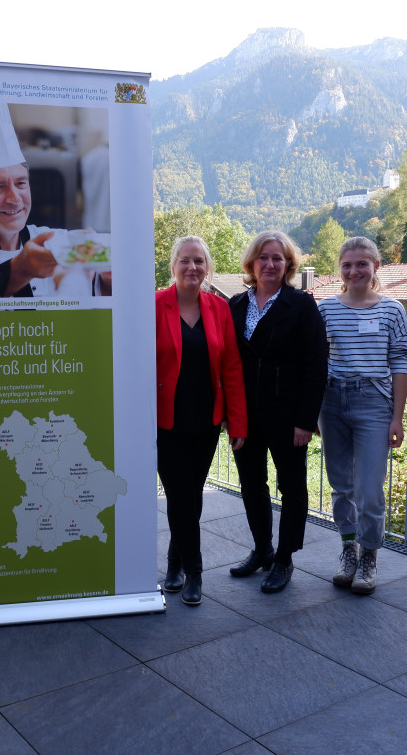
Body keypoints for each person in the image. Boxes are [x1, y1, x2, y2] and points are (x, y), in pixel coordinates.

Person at [0, 100, 110, 358]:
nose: (15, 199)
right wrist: (19, 269)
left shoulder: (53, 239)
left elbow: (91, 300)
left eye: (21, 183)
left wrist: (106, 280)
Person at [227, 231, 328, 594]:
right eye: (263, 257)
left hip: (288, 416)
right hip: (246, 415)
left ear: (288, 265)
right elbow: (228, 363)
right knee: (252, 486)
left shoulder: (301, 305)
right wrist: (229, 413)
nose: (270, 264)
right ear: (252, 263)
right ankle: (262, 550)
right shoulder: (236, 304)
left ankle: (284, 559)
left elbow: (316, 365)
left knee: (292, 489)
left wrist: (306, 420)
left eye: (278, 258)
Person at [156, 236, 247, 606]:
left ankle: (174, 563)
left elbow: (231, 367)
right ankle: (195, 571)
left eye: (199, 262)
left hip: (207, 420)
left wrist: (237, 422)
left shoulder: (218, 309)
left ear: (207, 268)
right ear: (173, 266)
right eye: (185, 261)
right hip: (166, 421)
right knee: (180, 495)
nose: (192, 268)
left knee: (191, 496)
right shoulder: (154, 305)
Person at [317, 237, 407, 595]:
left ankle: (369, 554)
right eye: (347, 265)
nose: (354, 271)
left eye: (362, 264)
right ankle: (347, 550)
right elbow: (316, 362)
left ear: (375, 267)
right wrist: (313, 412)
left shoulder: (392, 310)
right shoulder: (326, 309)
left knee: (370, 489)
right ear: (339, 268)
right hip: (331, 401)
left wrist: (397, 417)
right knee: (342, 485)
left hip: (373, 402)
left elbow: (399, 364)